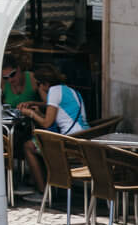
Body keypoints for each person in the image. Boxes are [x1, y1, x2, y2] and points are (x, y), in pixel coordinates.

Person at [18, 63, 89, 198]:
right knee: (41, 142)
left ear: (44, 84)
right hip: (84, 137)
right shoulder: (70, 90)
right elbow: (54, 112)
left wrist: (31, 114)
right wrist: (36, 106)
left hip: (70, 142)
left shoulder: (54, 91)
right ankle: (46, 184)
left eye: (38, 85)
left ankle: (42, 191)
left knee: (28, 146)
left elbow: (47, 123)